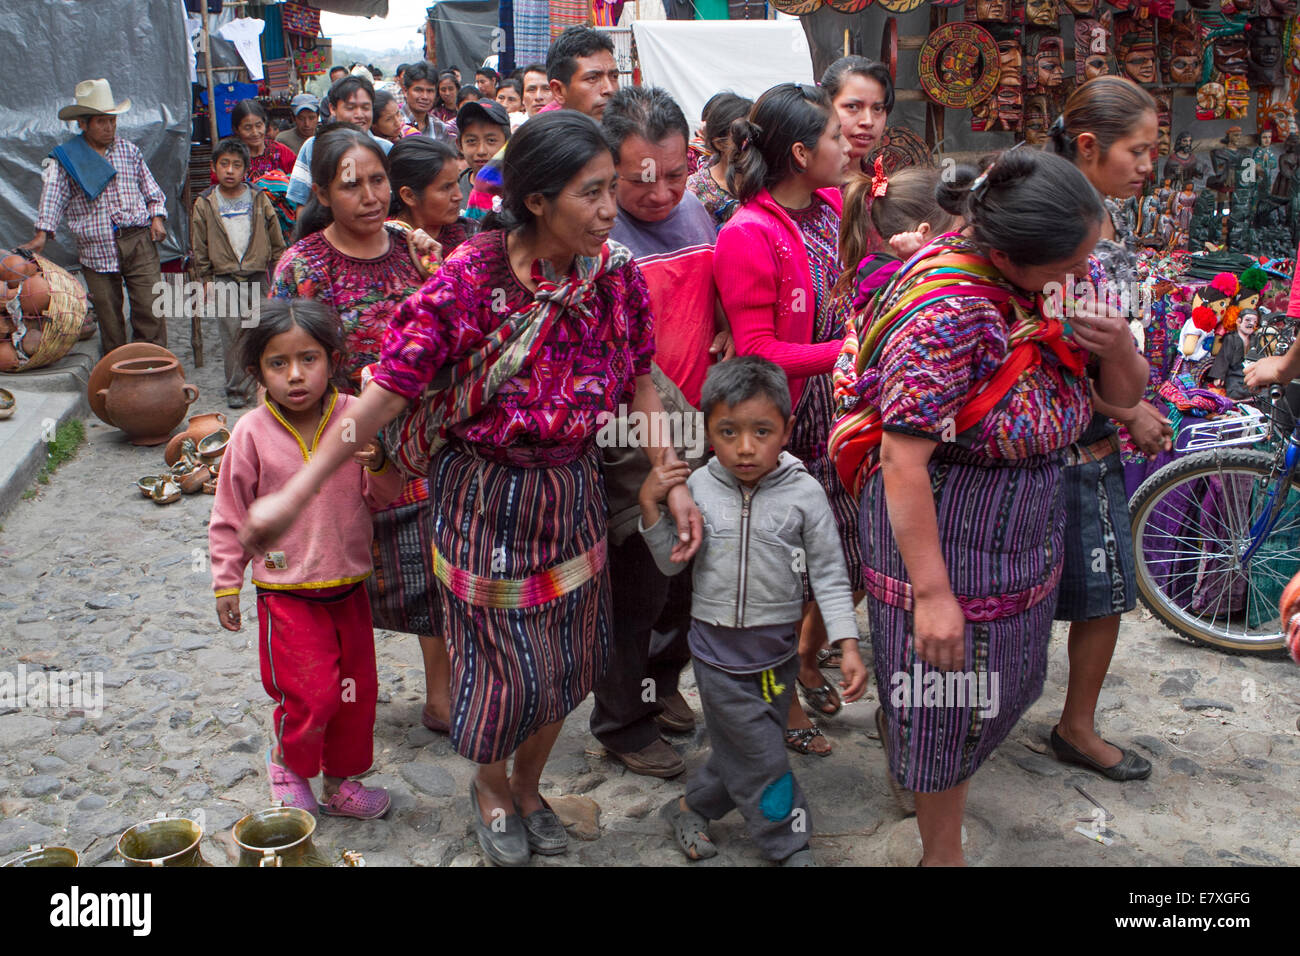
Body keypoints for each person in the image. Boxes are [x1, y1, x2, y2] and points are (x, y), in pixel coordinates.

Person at [237, 111, 702, 867]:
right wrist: (296, 495)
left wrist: (666, 473)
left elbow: (641, 378)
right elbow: (383, 396)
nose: (610, 209)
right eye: (592, 194)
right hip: (483, 498)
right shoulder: (467, 280)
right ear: (539, 200)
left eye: (612, 189)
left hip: (570, 491)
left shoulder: (614, 276)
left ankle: (529, 785)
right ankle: (489, 785)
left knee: (565, 664)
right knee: (501, 670)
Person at [843, 149, 1146, 865]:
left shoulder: (1067, 278)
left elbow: (1125, 396)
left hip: (1023, 525)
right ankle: (940, 852)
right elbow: (902, 457)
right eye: (1069, 269)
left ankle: (921, 764)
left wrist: (1120, 345)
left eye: (1087, 259)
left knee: (1004, 684)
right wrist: (934, 595)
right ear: (1008, 256)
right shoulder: (948, 310)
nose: (1084, 279)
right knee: (944, 703)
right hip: (944, 528)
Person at [645, 356, 867, 866]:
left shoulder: (806, 493)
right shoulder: (697, 488)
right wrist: (652, 503)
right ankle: (788, 843)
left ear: (787, 430)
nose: (745, 447)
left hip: (776, 661)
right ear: (708, 432)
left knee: (746, 750)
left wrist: (847, 642)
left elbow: (831, 575)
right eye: (728, 432)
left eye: (761, 431)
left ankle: (687, 807)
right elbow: (671, 564)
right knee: (765, 757)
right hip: (718, 659)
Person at [209, 298, 403, 819]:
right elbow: (229, 515)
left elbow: (383, 494)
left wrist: (380, 461)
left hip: (349, 588)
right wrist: (226, 582)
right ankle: (288, 767)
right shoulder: (250, 432)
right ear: (258, 372)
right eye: (278, 363)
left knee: (355, 697)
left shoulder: (353, 418)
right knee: (311, 694)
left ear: (333, 359)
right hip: (287, 592)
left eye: (309, 359)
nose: (296, 376)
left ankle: (341, 785)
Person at [589, 86, 729, 778]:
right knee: (639, 577)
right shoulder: (595, 234)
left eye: (676, 173)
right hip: (627, 435)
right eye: (642, 178)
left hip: (699, 423)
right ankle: (622, 717)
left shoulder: (698, 211)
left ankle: (662, 684)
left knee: (687, 571)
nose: (662, 192)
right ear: (610, 169)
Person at [714, 82, 856, 757]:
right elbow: (758, 352)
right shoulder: (750, 232)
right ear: (801, 152)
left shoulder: (831, 208)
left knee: (843, 560)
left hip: (839, 414)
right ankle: (782, 698)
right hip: (792, 423)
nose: (848, 141)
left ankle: (804, 656)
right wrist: (849, 351)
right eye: (835, 134)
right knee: (783, 574)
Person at [1048, 76, 1162, 781]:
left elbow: (1104, 347)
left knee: (1105, 589)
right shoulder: (1048, 222)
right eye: (1139, 150)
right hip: (1041, 444)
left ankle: (1076, 724)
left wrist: (1125, 389)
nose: (1149, 165)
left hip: (1089, 437)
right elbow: (1045, 348)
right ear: (1089, 147)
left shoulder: (1108, 221)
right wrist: (1130, 406)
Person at [373, 135, 479, 733]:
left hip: (465, 431)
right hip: (410, 436)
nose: (459, 194)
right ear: (410, 197)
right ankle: (442, 696)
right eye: (447, 187)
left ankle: (465, 683)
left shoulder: (469, 243)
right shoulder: (399, 251)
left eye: (461, 181)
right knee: (428, 573)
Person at [25, 78, 168, 353]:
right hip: (96, 247)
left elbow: (152, 190)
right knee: (109, 318)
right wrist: (42, 233)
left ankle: (153, 367)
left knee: (150, 309)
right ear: (83, 123)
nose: (109, 127)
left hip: (138, 239)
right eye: (101, 121)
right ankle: (118, 374)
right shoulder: (66, 159)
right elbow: (52, 196)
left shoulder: (129, 151)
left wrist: (157, 218)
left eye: (112, 120)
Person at [191, 138, 287, 408]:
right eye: (224, 164)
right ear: (214, 167)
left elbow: (275, 237)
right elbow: (199, 245)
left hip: (257, 275)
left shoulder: (258, 197)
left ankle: (264, 383)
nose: (230, 171)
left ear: (245, 169)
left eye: (236, 165)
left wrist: (279, 269)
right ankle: (235, 387)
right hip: (224, 278)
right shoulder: (205, 202)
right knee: (232, 333)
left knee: (260, 330)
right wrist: (206, 279)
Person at [287, 75, 393, 208]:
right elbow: (301, 201)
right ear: (332, 109)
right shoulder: (313, 146)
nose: (359, 114)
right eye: (350, 108)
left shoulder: (386, 149)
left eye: (365, 108)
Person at [685, 92, 753, 231]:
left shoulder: (767, 181)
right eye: (743, 135)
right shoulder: (695, 190)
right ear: (719, 144)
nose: (752, 141)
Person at [822, 56, 893, 177]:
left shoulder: (880, 184)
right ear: (825, 106)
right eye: (852, 107)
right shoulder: (802, 187)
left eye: (877, 109)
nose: (868, 121)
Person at [211, 100, 296, 185]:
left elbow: (299, 181)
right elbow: (218, 189)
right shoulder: (228, 157)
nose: (255, 133)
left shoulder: (281, 152)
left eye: (259, 126)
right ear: (236, 129)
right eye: (247, 128)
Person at [546, 26, 619, 119]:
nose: (610, 89)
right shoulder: (538, 132)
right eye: (593, 78)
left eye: (614, 77)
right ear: (558, 91)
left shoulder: (635, 130)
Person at [455, 100, 511, 222]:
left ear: (507, 143)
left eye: (491, 140)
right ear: (459, 145)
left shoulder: (516, 191)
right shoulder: (454, 192)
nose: (481, 151)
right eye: (471, 141)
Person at [400, 61, 449, 140]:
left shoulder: (439, 128)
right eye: (418, 90)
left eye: (430, 91)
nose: (425, 97)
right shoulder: (394, 123)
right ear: (405, 91)